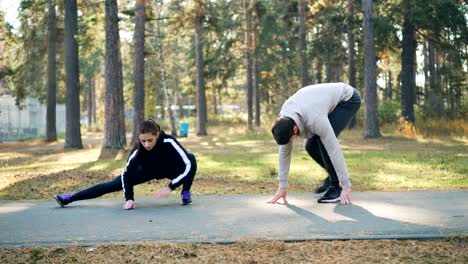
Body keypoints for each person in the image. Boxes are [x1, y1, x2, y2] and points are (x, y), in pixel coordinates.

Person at [54, 119, 197, 210]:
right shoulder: (137, 151)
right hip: (145, 171)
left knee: (192, 158)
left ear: (157, 134)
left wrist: (171, 186)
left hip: (169, 169)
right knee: (110, 185)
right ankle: (69, 198)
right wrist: (129, 198)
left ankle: (185, 193)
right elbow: (126, 174)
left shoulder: (169, 142)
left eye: (150, 140)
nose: (146, 144)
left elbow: (188, 164)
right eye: (143, 140)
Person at [268, 82, 361, 205]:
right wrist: (282, 185)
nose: (291, 142)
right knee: (311, 146)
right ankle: (333, 177)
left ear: (295, 129)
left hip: (347, 99)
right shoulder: (284, 120)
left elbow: (334, 149)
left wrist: (346, 185)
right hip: (318, 103)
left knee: (323, 143)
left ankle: (337, 186)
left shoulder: (314, 119)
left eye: (292, 139)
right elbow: (284, 153)